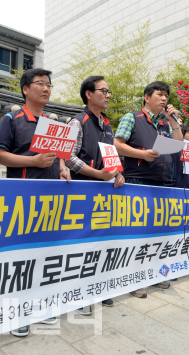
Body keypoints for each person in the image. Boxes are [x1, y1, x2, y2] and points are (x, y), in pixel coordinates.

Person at [0, 68, 69, 337]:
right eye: (40, 84)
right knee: (20, 258)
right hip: (22, 199)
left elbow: (59, 155)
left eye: (49, 85)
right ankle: (15, 313)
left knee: (45, 254)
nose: (46, 89)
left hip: (51, 199)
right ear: (26, 89)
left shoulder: (52, 122)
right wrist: (33, 161)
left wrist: (62, 167)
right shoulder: (12, 119)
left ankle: (40, 306)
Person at [114, 81, 181, 298]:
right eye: (159, 95)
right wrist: (142, 154)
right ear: (146, 97)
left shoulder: (165, 123)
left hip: (162, 183)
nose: (164, 99)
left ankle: (154, 274)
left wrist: (174, 122)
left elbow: (178, 144)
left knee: (157, 232)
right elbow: (117, 144)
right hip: (138, 181)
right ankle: (133, 280)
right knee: (137, 233)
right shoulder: (132, 117)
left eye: (166, 96)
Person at [65, 75, 124, 313]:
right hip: (82, 190)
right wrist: (96, 174)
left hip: (103, 193)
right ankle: (78, 294)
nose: (108, 95)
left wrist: (119, 173)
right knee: (80, 243)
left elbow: (112, 158)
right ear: (89, 94)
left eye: (109, 91)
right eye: (104, 91)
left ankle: (96, 288)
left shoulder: (108, 125)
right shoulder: (77, 122)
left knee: (99, 242)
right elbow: (68, 157)